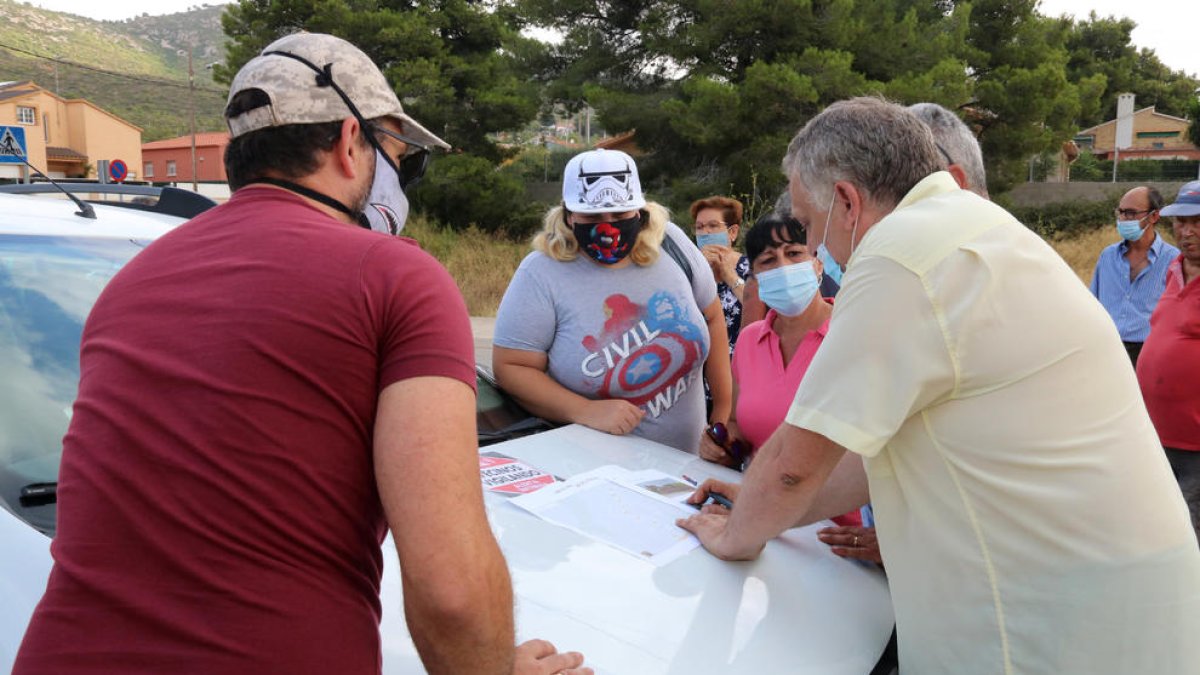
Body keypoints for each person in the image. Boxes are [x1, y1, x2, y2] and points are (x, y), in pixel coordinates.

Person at [14, 33, 589, 675]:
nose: (402, 183)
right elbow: (452, 593)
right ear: (351, 142)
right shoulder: (393, 274)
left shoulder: (130, 281)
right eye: (402, 160)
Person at [678, 97, 1200, 674]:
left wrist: (735, 537)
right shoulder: (978, 229)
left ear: (847, 201)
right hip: (1113, 586)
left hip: (1051, 613)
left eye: (806, 222)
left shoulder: (900, 256)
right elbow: (867, 455)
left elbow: (797, 462)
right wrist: (758, 510)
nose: (811, 242)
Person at [819, 101, 990, 565]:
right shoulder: (969, 266)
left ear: (950, 183)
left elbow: (991, 484)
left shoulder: (967, 284)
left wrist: (911, 543)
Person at [492, 148, 731, 453]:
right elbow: (511, 366)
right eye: (592, 216)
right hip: (597, 473)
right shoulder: (542, 272)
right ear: (568, 216)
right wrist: (584, 410)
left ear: (640, 212)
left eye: (620, 215)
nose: (608, 225)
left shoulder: (670, 244)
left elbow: (711, 316)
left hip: (689, 466)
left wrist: (723, 415)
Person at [699, 213, 861, 527]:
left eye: (794, 253)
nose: (784, 268)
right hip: (760, 512)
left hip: (837, 528)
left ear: (817, 263)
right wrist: (722, 446)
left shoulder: (853, 334)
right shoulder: (749, 340)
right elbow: (736, 424)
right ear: (755, 279)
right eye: (769, 260)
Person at [1136, 179, 1200, 536]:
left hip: (1196, 445)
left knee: (1188, 537)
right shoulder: (1174, 269)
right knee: (1161, 530)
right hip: (1157, 436)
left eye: (1197, 222)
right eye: (1181, 222)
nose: (1187, 231)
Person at [1089, 186, 1179, 366]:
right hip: (1107, 349)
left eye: (1130, 213)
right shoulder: (1108, 256)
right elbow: (1093, 304)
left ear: (1154, 216)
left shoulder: (1173, 261)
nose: (1123, 219)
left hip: (1150, 353)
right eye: (1120, 212)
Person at [690, 195, 750, 351]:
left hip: (742, 362)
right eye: (699, 227)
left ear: (732, 232)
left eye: (713, 225)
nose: (705, 232)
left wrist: (729, 275)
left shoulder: (752, 268)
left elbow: (762, 310)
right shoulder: (688, 271)